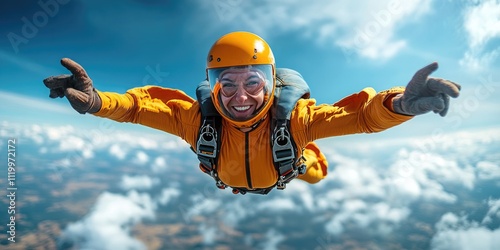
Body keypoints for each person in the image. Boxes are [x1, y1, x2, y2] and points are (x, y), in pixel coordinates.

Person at [43, 31, 461, 194]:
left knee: (314, 171)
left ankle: (306, 161)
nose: (239, 95)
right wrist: (99, 102)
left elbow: (362, 116)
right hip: (227, 172)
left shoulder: (296, 119)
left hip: (287, 166)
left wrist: (398, 105)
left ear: (271, 82)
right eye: (227, 83)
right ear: (214, 84)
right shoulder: (197, 120)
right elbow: (139, 109)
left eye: (252, 82)